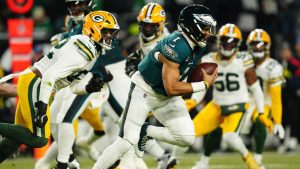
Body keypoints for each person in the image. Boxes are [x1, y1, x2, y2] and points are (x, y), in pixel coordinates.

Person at [92, 4, 218, 169]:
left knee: (187, 137)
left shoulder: (195, 44)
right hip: (145, 91)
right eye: (204, 28)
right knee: (124, 142)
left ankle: (145, 131)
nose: (208, 33)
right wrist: (203, 85)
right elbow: (171, 87)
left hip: (166, 95)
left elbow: (182, 73)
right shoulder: (176, 46)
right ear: (192, 27)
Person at [0, 10, 117, 164]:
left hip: (36, 83)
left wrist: (89, 88)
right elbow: (50, 75)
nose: (110, 37)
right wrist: (41, 108)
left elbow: (73, 87)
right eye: (106, 32)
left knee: (18, 137)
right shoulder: (84, 49)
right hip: (37, 83)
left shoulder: (89, 49)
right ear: (94, 30)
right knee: (39, 139)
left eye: (111, 33)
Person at [187, 24, 273, 169]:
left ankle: (251, 160)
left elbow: (256, 88)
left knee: (229, 138)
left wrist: (261, 112)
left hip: (237, 105)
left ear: (238, 43)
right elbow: (204, 85)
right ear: (219, 41)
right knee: (186, 134)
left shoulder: (243, 59)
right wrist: (193, 100)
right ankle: (175, 162)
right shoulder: (209, 59)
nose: (228, 44)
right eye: (225, 40)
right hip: (217, 104)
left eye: (232, 41)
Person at [125, 3, 177, 169]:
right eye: (144, 25)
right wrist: (138, 57)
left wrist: (137, 70)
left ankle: (155, 157)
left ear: (160, 25)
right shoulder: (149, 38)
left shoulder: (165, 45)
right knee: (130, 125)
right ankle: (163, 157)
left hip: (162, 90)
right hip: (151, 87)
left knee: (130, 125)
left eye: (151, 26)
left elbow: (163, 74)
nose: (147, 29)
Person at [239, 29, 285, 168]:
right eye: (254, 44)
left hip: (264, 102)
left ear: (267, 46)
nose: (257, 48)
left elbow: (276, 98)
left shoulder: (272, 67)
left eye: (260, 44)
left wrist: (277, 121)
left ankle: (257, 159)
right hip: (245, 99)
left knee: (260, 120)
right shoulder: (241, 60)